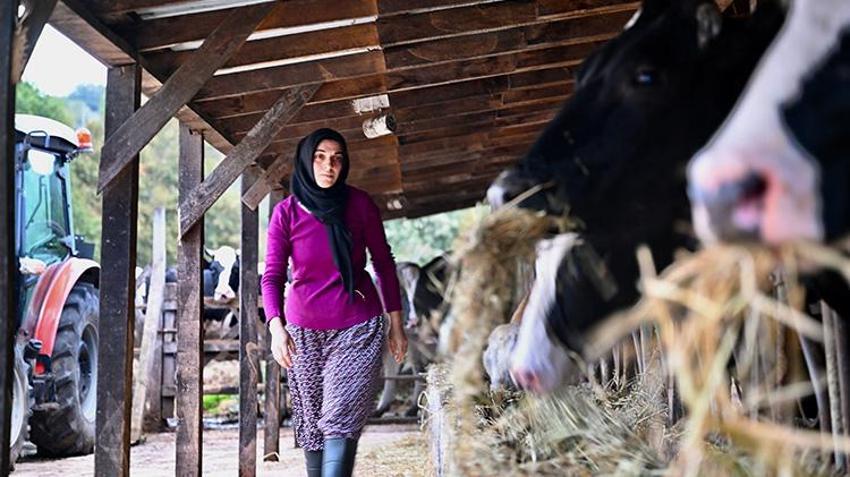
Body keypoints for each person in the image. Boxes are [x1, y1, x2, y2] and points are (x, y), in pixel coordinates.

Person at [261, 128, 408, 477]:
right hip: (301, 331)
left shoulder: (359, 205)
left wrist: (397, 324)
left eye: (337, 158)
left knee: (339, 418)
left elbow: (383, 264)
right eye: (321, 157)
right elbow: (272, 277)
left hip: (357, 326)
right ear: (306, 161)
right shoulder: (286, 213)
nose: (330, 166)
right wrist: (276, 328)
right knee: (312, 425)